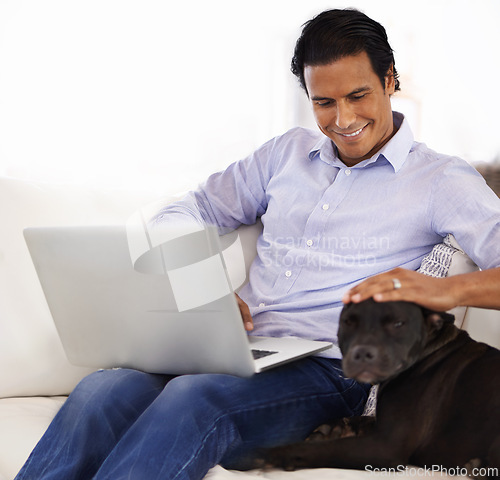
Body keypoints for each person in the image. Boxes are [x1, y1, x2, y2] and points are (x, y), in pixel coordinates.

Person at [15, 7, 500, 480]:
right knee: (103, 389)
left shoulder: (440, 179)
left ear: (391, 79)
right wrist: (203, 289)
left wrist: (449, 292)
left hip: (333, 372)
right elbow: (186, 210)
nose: (343, 119)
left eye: (358, 95)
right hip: (238, 351)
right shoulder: (284, 154)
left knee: (195, 400)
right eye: (323, 102)